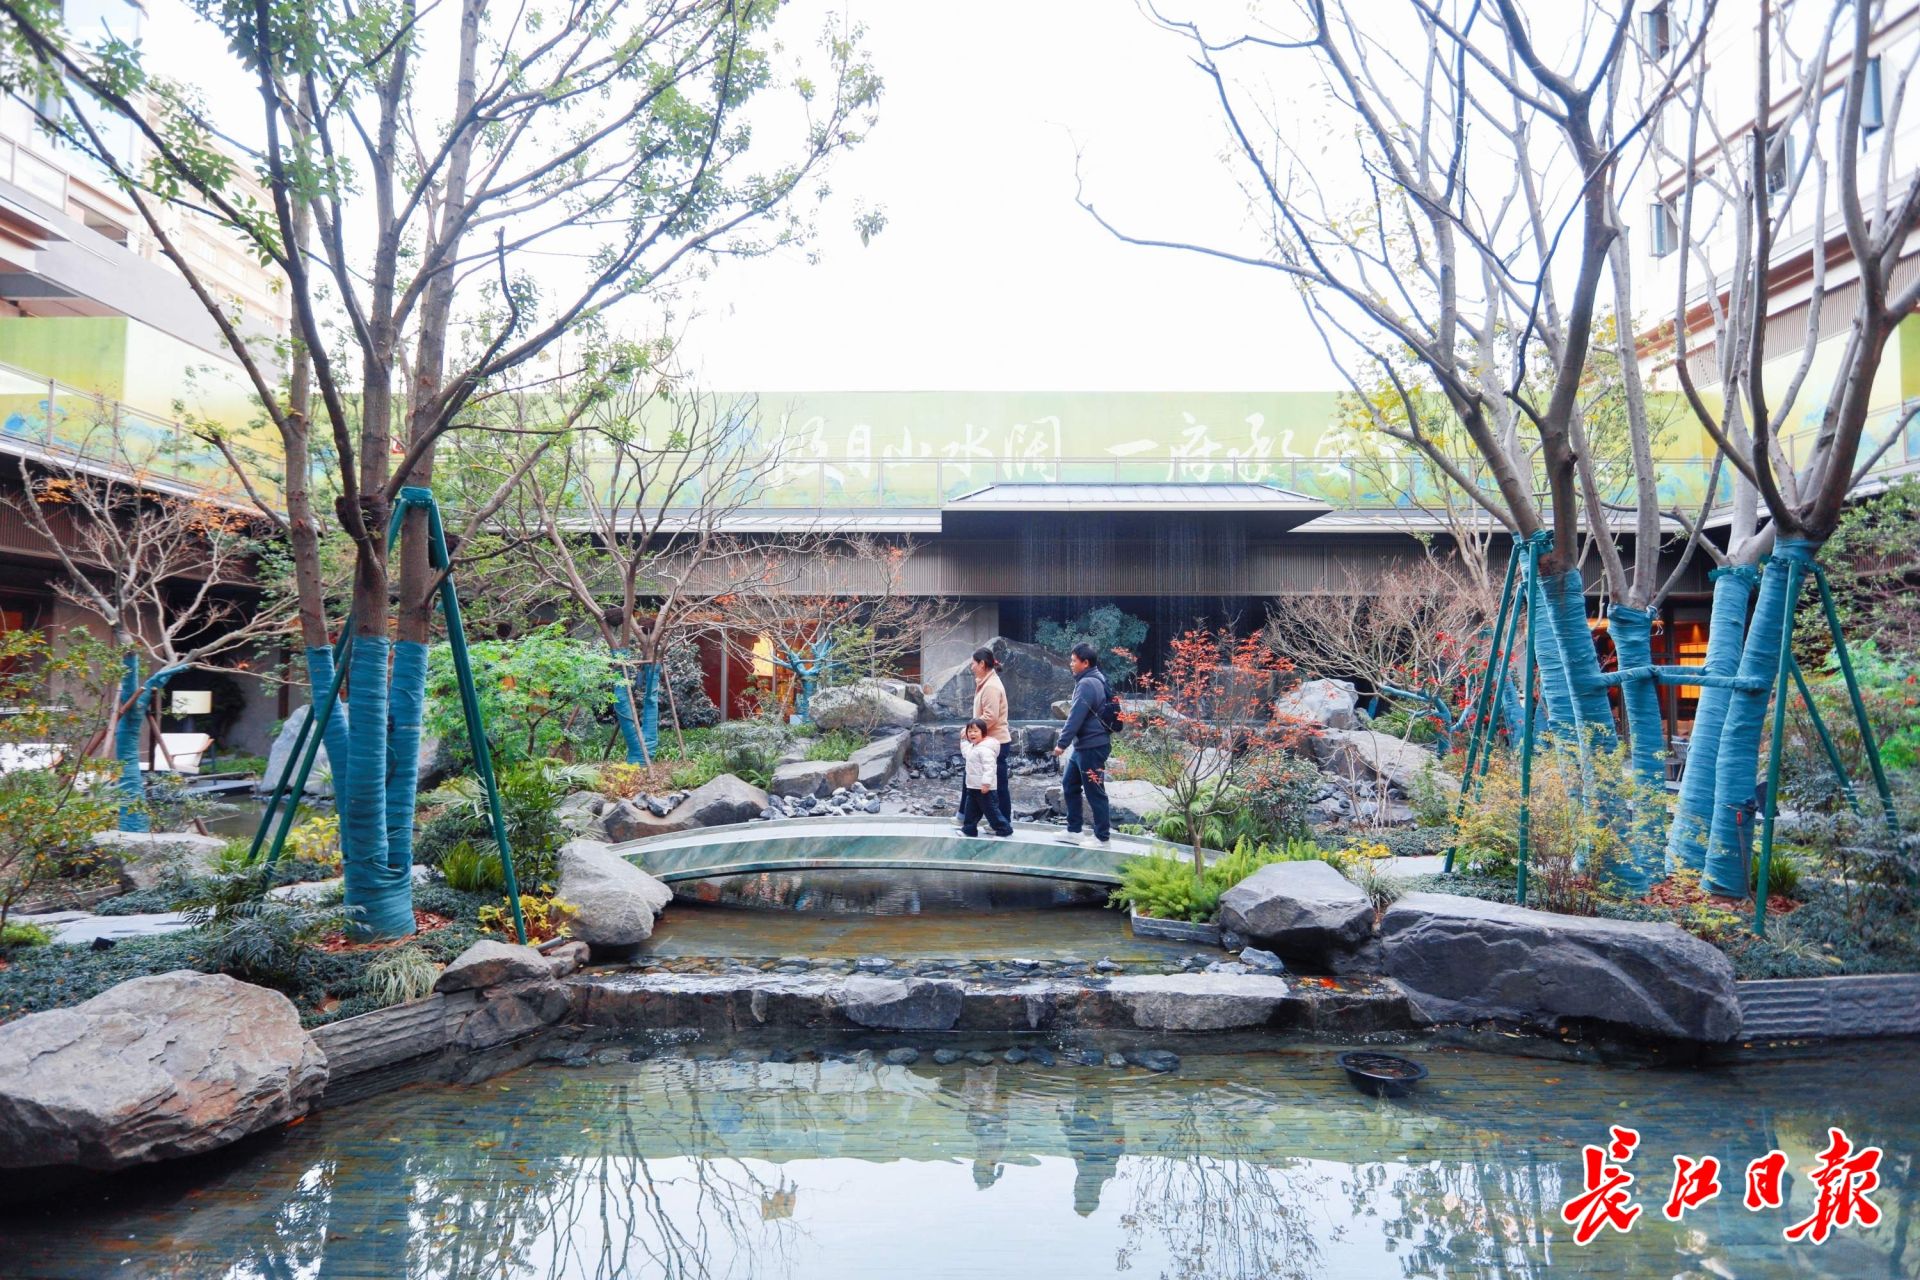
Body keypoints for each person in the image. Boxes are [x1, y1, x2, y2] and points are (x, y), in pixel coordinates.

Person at [1053, 642, 1112, 848]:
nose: (1070, 664)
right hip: (1084, 746)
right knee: (1070, 784)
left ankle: (1102, 837)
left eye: (1074, 661)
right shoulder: (1096, 678)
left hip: (1092, 747)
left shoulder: (1087, 683)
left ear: (1085, 663)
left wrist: (1062, 743)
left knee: (1095, 791)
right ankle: (1074, 830)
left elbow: (1075, 716)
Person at [955, 646, 1013, 828]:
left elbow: (991, 716)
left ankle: (1003, 822)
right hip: (985, 742)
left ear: (982, 664)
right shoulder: (986, 682)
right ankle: (963, 816)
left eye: (973, 663)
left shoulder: (991, 686)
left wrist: (970, 730)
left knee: (999, 786)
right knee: (971, 776)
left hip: (995, 743)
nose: (971, 666)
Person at [959, 718, 1013, 837]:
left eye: (975, 731)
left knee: (991, 811)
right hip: (973, 786)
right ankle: (969, 830)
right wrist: (963, 740)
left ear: (983, 732)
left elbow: (990, 768)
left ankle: (1004, 829)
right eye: (969, 731)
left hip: (984, 788)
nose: (972, 734)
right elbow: (966, 753)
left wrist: (986, 783)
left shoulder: (985, 749)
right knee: (971, 810)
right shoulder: (973, 747)